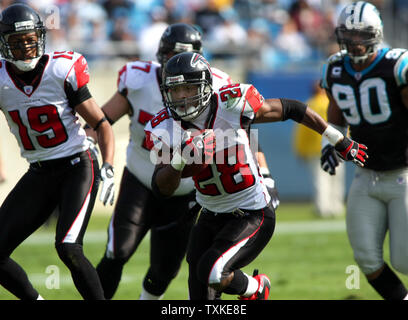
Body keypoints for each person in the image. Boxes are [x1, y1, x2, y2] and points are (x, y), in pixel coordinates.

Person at [145, 51, 368, 300]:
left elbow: (294, 109)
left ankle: (256, 288)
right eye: (175, 91)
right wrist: (180, 160)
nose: (182, 97)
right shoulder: (163, 126)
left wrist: (338, 140)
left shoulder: (232, 104)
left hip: (251, 212)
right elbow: (160, 187)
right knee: (199, 296)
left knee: (213, 271)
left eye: (188, 88)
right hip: (209, 215)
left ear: (205, 85)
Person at [91, 22, 280, 300]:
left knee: (166, 268)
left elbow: (243, 131)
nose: (175, 64)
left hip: (188, 188)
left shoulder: (215, 84)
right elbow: (102, 119)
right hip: (142, 177)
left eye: (184, 56)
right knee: (118, 249)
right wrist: (92, 151)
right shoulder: (139, 80)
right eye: (169, 56)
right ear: (159, 55)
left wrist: (264, 173)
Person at [0, 4, 115, 300]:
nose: (25, 47)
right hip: (39, 172)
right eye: (16, 41)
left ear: (40, 37)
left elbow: (101, 122)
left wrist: (109, 166)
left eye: (29, 39)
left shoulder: (61, 69)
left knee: (68, 247)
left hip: (78, 165)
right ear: (4, 43)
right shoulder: (2, 79)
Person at [320, 1, 408, 300]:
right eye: (349, 34)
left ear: (377, 33)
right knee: (367, 259)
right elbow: (335, 112)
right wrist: (329, 142)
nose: (355, 42)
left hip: (403, 173)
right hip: (365, 175)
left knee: (404, 260)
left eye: (363, 34)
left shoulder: (396, 64)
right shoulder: (334, 67)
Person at [293, 80, 345, 217]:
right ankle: (336, 206)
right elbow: (345, 125)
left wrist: (300, 150)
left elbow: (302, 132)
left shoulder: (309, 105)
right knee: (336, 178)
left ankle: (323, 207)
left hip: (316, 150)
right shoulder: (334, 103)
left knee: (321, 180)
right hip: (336, 147)